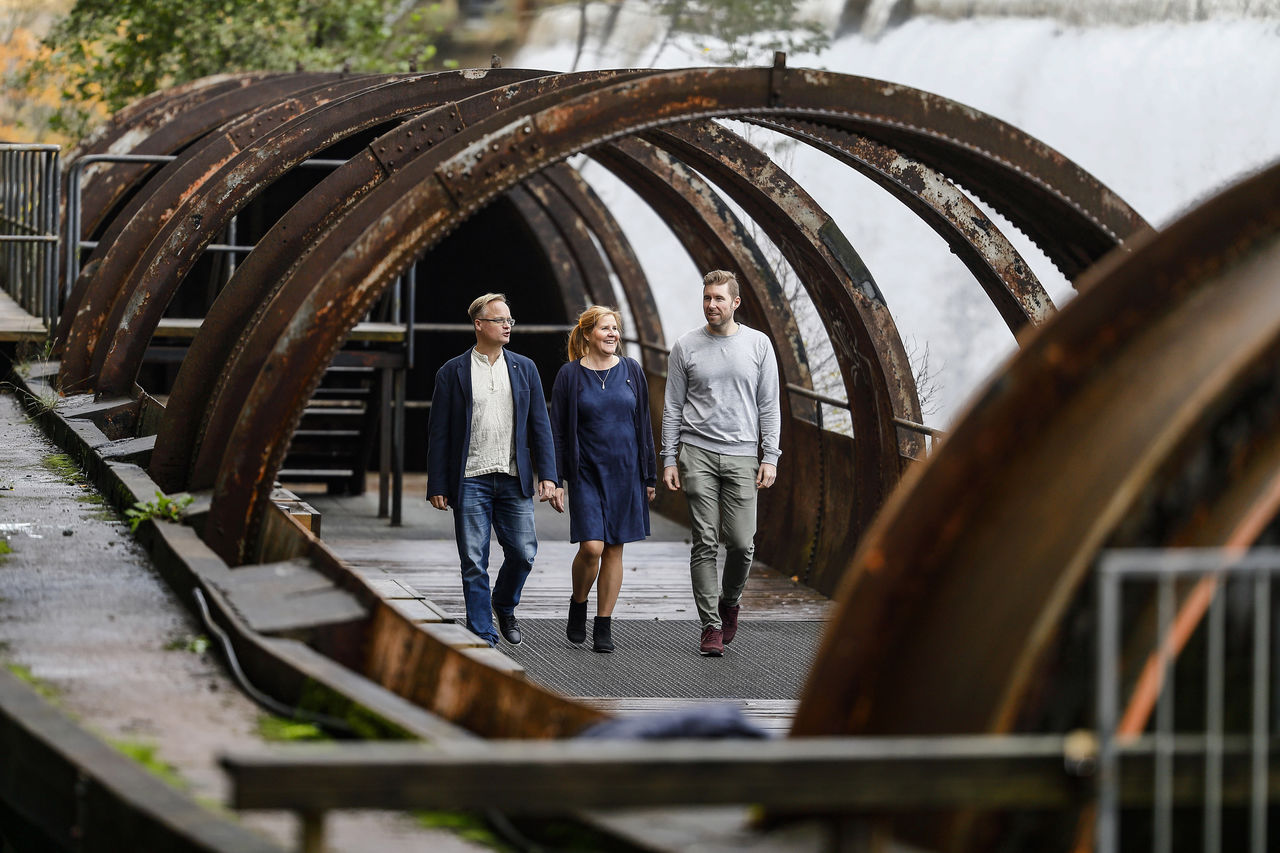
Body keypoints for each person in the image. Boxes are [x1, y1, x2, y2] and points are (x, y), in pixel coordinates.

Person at [661, 270, 781, 656]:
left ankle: (730, 602)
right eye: (707, 298)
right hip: (696, 453)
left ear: (735, 303)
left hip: (744, 454)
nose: (711, 305)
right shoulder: (686, 346)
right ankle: (710, 626)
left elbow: (769, 405)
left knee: (743, 544)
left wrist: (771, 456)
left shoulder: (758, 345)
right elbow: (673, 406)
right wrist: (669, 458)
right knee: (705, 541)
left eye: (719, 298)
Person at [426, 293, 557, 647]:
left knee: (524, 553)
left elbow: (539, 424)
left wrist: (549, 475)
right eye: (500, 320)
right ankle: (483, 633)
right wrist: (437, 483)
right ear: (479, 324)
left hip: (514, 478)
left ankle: (504, 603)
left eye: (510, 321)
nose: (507, 326)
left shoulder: (524, 367)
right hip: (470, 480)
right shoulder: (452, 372)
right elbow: (439, 433)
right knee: (473, 560)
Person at [549, 306, 657, 653]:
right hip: (586, 473)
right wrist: (555, 479)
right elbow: (558, 433)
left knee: (614, 550)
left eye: (615, 329)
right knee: (591, 547)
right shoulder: (569, 376)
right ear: (587, 334)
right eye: (605, 328)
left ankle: (603, 623)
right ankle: (579, 602)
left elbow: (644, 425)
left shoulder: (631, 371)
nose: (613, 334)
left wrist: (649, 474)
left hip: (626, 472)